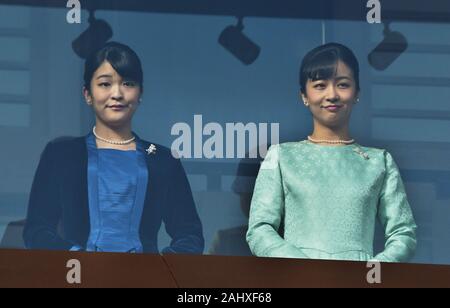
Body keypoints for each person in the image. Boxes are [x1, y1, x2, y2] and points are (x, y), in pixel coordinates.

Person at [24, 42, 204, 254]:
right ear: (87, 94)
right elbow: (37, 231)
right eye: (105, 84)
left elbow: (190, 236)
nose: (117, 93)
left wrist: (160, 267)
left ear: (140, 93)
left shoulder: (163, 159)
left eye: (127, 83)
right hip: (77, 279)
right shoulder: (61, 155)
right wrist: (77, 258)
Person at [246, 43, 417, 262]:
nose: (332, 94)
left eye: (343, 84)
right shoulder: (280, 156)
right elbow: (259, 229)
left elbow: (404, 232)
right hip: (298, 281)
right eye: (320, 85)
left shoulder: (379, 162)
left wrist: (371, 272)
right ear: (304, 95)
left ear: (357, 93)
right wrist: (303, 269)